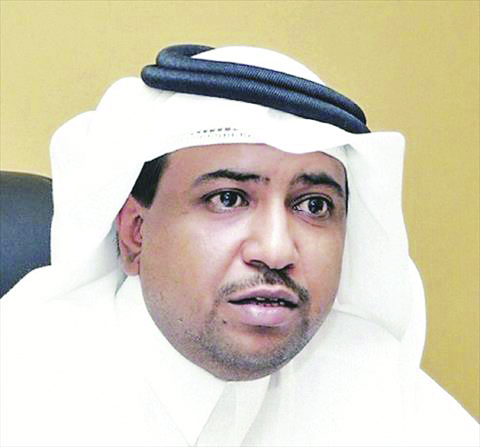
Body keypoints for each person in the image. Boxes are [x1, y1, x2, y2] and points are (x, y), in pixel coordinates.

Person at [0, 44, 478, 447]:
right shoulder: (23, 392)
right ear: (135, 234)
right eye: (227, 198)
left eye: (313, 205)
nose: (276, 250)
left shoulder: (373, 383)